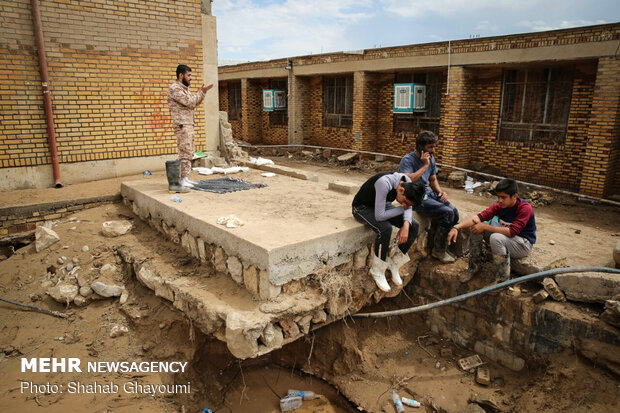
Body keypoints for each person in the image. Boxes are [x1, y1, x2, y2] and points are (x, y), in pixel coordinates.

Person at [447, 178, 536, 281]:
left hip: (522, 244)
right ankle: (474, 266)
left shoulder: (525, 208)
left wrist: (485, 226)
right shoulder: (500, 206)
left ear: (515, 196)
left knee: (494, 237)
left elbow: (512, 232)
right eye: (498, 197)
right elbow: (478, 217)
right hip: (507, 237)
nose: (499, 200)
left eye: (503, 197)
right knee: (476, 228)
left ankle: (502, 280)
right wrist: (456, 227)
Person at [352, 172, 426, 292]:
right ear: (401, 190)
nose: (404, 204)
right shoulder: (384, 183)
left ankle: (394, 263)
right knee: (385, 228)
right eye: (405, 201)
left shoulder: (407, 182)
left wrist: (406, 225)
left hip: (382, 205)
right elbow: (380, 216)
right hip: (362, 208)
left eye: (406, 203)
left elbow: (408, 207)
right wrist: (402, 208)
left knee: (414, 225)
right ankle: (377, 270)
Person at [398, 131, 459, 263]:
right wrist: (424, 165)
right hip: (414, 197)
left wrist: (440, 192)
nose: (433, 150)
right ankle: (438, 251)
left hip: (429, 194)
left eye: (434, 147)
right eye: (430, 147)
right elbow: (409, 181)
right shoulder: (407, 160)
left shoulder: (431, 159)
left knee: (454, 212)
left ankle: (442, 245)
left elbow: (433, 179)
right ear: (421, 148)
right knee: (447, 213)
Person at [166, 64, 214, 190]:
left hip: (188, 124)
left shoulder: (184, 89)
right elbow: (190, 102)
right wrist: (202, 92)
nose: (191, 78)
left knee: (189, 152)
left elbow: (194, 103)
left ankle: (185, 178)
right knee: (185, 152)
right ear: (181, 75)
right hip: (182, 125)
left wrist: (201, 94)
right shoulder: (175, 89)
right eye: (189, 75)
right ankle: (182, 179)